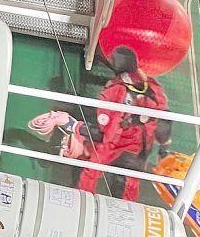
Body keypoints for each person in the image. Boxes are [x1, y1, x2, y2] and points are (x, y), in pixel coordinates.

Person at [67, 47, 172, 201]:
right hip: (141, 148)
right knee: (131, 183)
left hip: (115, 144)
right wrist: (164, 148)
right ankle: (126, 214)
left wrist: (74, 126)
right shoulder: (153, 87)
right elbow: (164, 121)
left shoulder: (114, 91)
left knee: (90, 171)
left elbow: (104, 134)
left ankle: (82, 201)